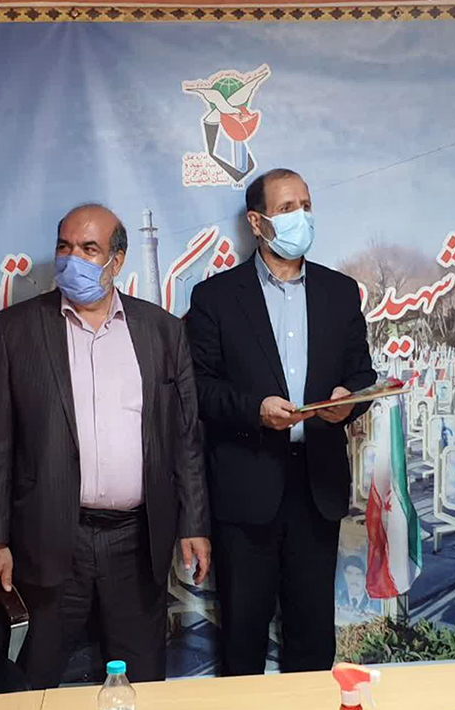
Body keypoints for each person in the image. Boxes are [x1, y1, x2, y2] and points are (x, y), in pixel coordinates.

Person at [0, 204, 211, 687]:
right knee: (35, 682)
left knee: (141, 682)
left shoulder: (162, 331)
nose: (72, 260)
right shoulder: (16, 331)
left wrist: (193, 524)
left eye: (89, 249)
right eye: (64, 247)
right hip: (51, 538)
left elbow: (184, 438)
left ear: (117, 261)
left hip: (136, 540)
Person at [187, 168, 376, 675]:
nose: (302, 217)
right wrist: (254, 410)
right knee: (244, 635)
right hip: (246, 486)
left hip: (316, 486)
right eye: (288, 208)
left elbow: (362, 374)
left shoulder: (340, 292)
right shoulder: (216, 298)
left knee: (312, 635)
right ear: (257, 222)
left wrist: (350, 402)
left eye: (306, 206)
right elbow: (200, 388)